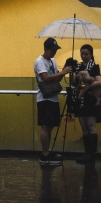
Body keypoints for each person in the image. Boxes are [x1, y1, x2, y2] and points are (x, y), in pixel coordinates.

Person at [34, 37, 71, 166]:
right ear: (46, 49)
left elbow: (56, 79)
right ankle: (44, 154)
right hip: (44, 98)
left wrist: (65, 70)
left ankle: (47, 152)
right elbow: (46, 78)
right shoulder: (39, 62)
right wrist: (63, 72)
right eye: (52, 50)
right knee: (45, 125)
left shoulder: (53, 61)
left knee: (50, 126)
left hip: (53, 97)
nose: (54, 53)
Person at [72, 43, 101, 163]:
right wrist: (72, 72)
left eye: (86, 54)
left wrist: (87, 87)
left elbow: (99, 82)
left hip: (91, 99)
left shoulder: (94, 66)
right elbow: (73, 83)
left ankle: (91, 154)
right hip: (81, 100)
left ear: (91, 54)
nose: (84, 56)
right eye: (82, 54)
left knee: (91, 126)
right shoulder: (78, 66)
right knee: (84, 128)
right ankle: (87, 153)